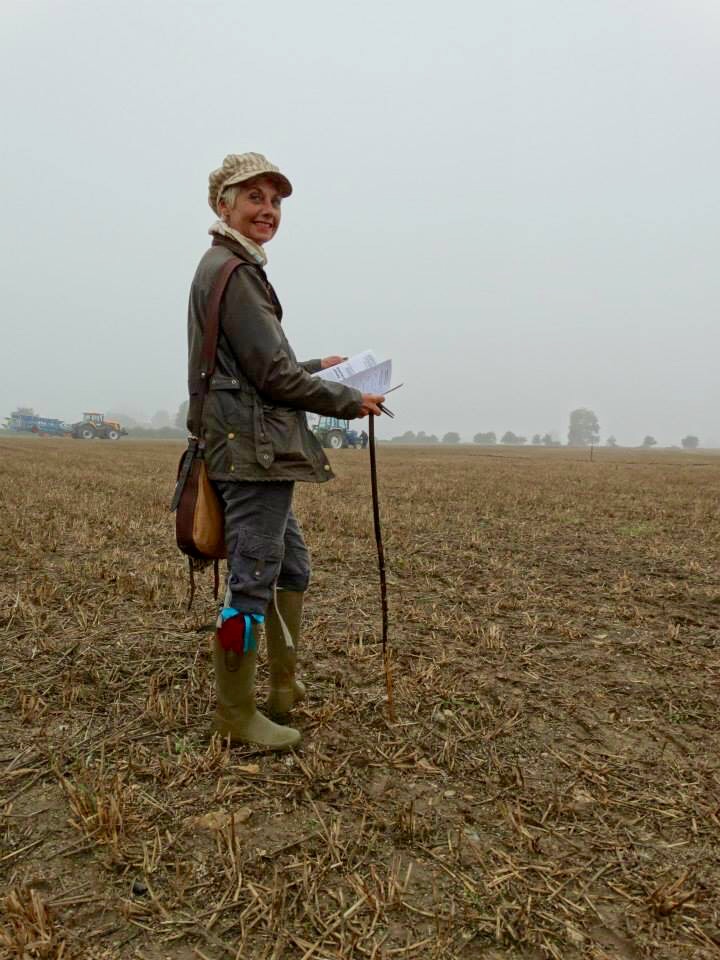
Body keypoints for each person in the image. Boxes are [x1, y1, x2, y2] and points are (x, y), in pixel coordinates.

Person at [186, 152, 385, 750]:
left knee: (292, 567)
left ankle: (283, 687)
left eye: (275, 200)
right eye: (254, 197)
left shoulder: (229, 266)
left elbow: (255, 371)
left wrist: (315, 367)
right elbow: (272, 380)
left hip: (252, 447)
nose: (267, 210)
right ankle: (235, 713)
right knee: (250, 584)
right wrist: (350, 400)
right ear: (223, 205)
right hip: (253, 456)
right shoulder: (235, 272)